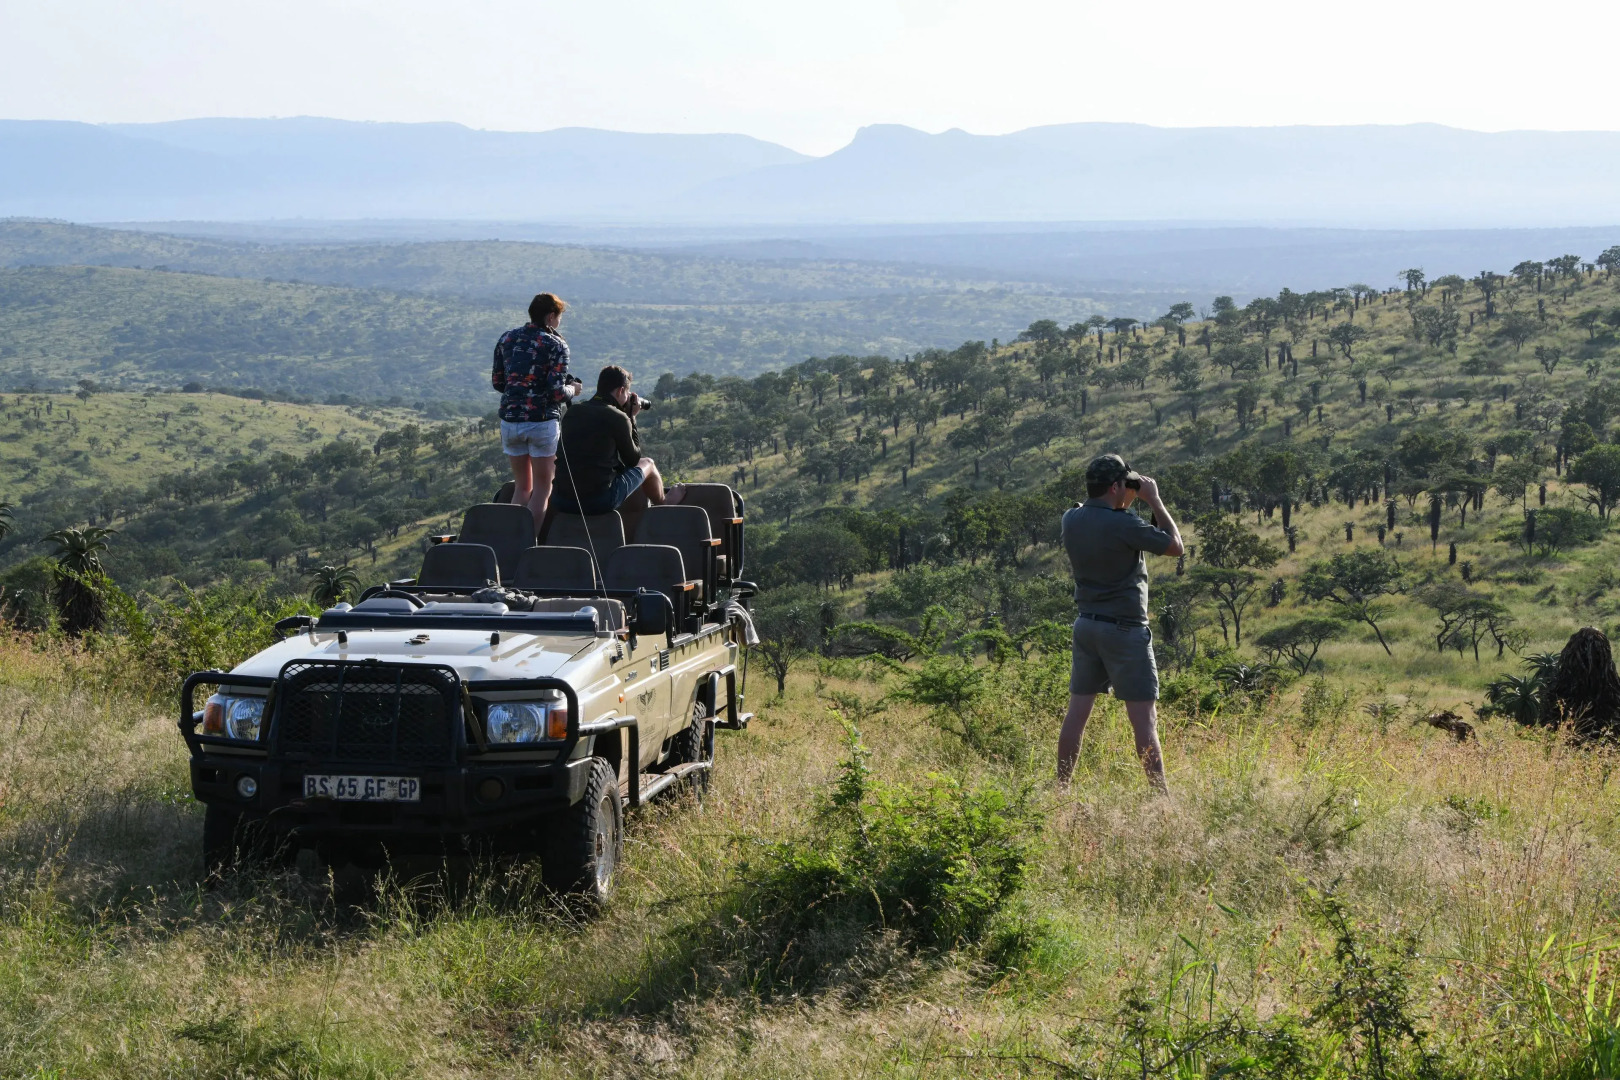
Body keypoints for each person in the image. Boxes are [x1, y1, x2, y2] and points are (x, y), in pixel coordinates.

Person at [1056, 454, 1184, 793]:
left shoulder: (1071, 518)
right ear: (1115, 486)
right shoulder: (1124, 524)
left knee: (1077, 714)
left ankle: (1061, 788)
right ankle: (1161, 798)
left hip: (1087, 626)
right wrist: (1152, 498)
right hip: (1125, 630)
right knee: (1143, 720)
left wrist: (1124, 497)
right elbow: (1175, 547)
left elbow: (1096, 512)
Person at [492, 292, 582, 533]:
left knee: (522, 488)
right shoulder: (556, 345)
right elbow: (556, 393)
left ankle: (508, 540)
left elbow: (498, 383)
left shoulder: (507, 338)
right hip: (541, 422)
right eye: (559, 317)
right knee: (543, 488)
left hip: (510, 422)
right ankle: (526, 542)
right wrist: (573, 390)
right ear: (551, 316)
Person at [553, 364, 681, 518]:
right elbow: (632, 461)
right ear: (621, 390)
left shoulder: (573, 411)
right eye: (627, 393)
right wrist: (631, 418)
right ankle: (664, 504)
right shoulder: (618, 418)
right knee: (648, 463)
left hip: (561, 501)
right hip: (599, 502)